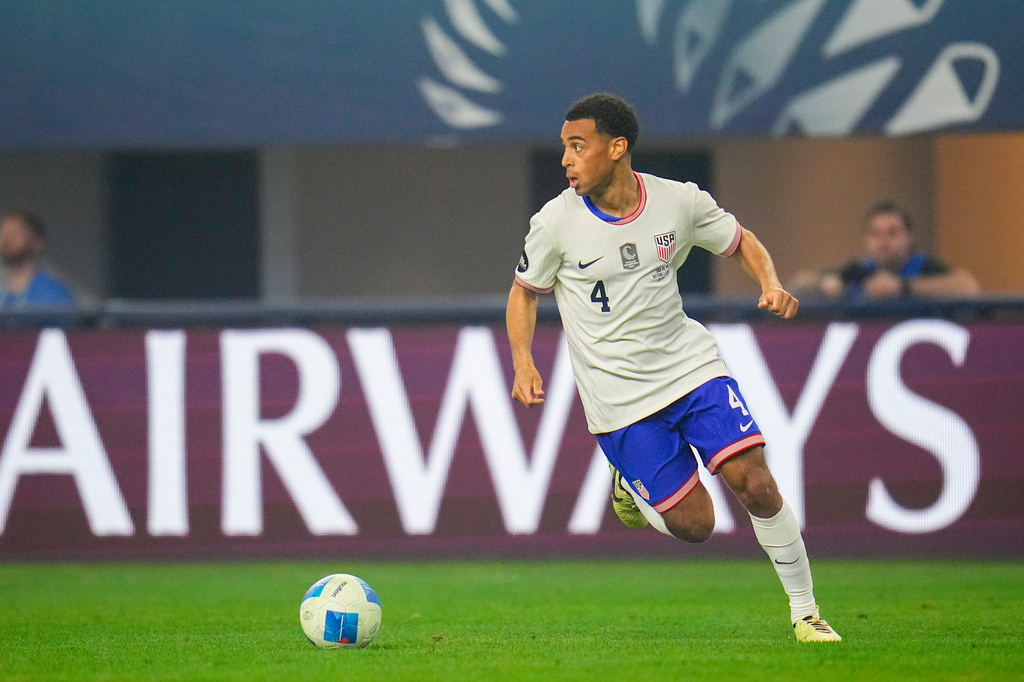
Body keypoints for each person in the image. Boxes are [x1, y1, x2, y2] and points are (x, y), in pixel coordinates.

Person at [506, 93, 840, 643]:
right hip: (618, 398)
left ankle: (805, 612)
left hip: (690, 368)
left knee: (754, 481)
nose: (565, 159)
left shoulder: (679, 202)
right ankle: (629, 482)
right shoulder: (554, 224)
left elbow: (740, 241)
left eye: (577, 146)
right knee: (696, 526)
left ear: (617, 148)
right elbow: (523, 294)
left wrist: (770, 282)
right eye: (564, 147)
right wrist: (523, 361)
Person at [790, 201, 980, 299]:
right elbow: (799, 283)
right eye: (876, 234)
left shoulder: (923, 266)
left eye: (892, 233)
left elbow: (968, 286)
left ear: (908, 237)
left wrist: (903, 287)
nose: (884, 241)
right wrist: (827, 285)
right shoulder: (860, 269)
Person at [0, 210, 76, 308]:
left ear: (35, 242)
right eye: (4, 234)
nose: (7, 240)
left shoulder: (52, 294)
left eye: (15, 234)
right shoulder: (4, 294)